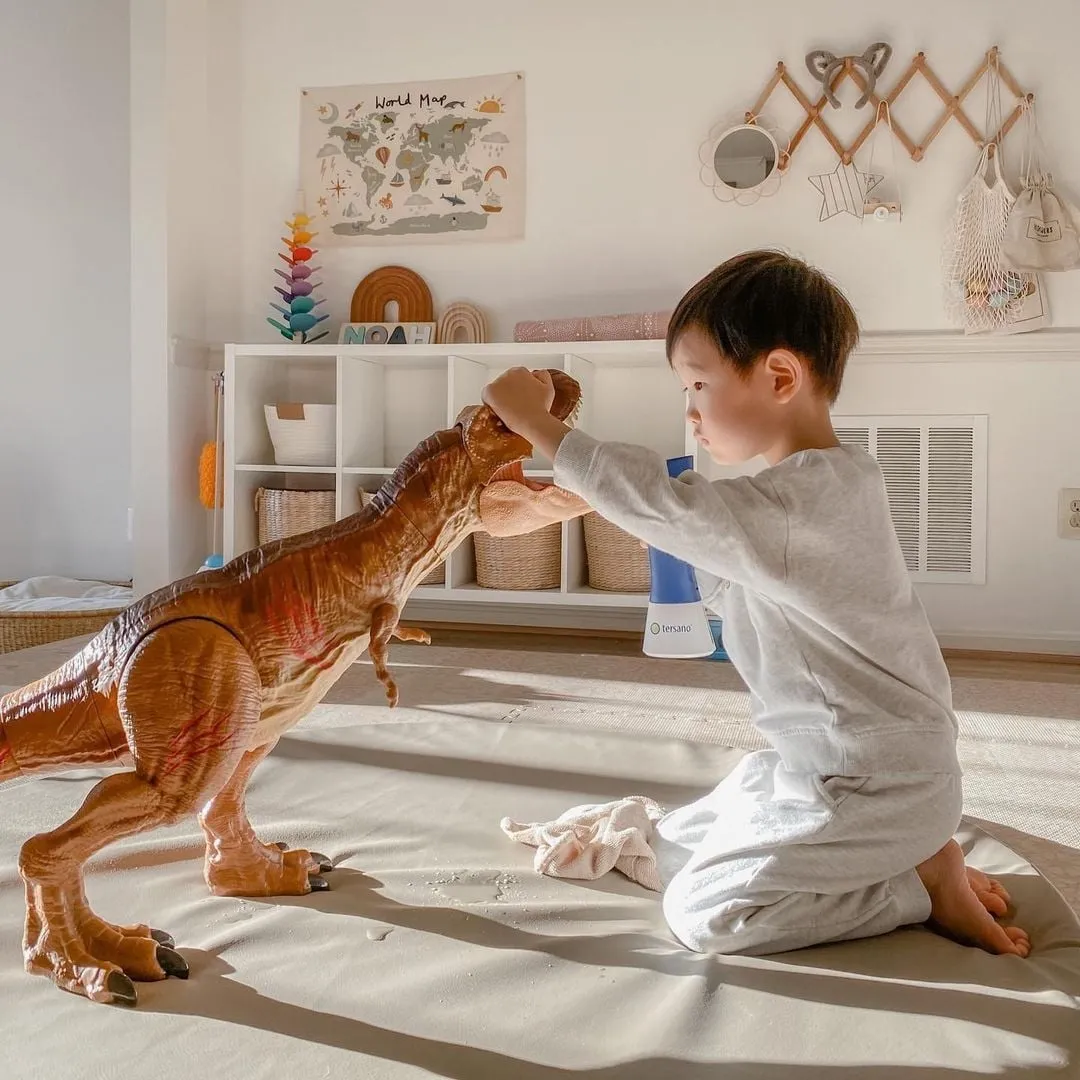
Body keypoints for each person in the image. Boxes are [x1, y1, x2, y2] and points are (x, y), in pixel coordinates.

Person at [480, 250, 1030, 959]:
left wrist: (541, 428)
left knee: (706, 912)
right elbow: (715, 559)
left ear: (779, 377)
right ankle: (913, 855)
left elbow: (671, 512)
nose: (692, 411)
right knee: (678, 838)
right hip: (827, 766)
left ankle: (916, 885)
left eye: (699, 384)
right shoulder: (819, 489)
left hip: (874, 785)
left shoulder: (803, 504)